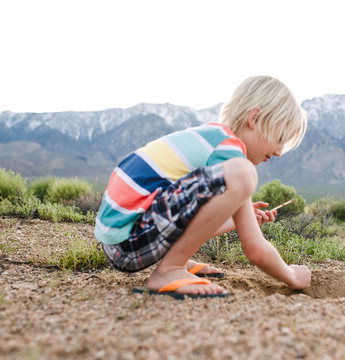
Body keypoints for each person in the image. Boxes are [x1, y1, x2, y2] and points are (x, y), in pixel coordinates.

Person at [94, 75, 311, 298]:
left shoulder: (213, 141)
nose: (278, 152)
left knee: (239, 174)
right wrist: (291, 275)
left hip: (123, 240)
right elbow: (255, 248)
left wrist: (239, 217)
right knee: (243, 172)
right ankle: (170, 269)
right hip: (129, 241)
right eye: (279, 139)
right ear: (254, 118)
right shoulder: (230, 156)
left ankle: (176, 260)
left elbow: (195, 217)